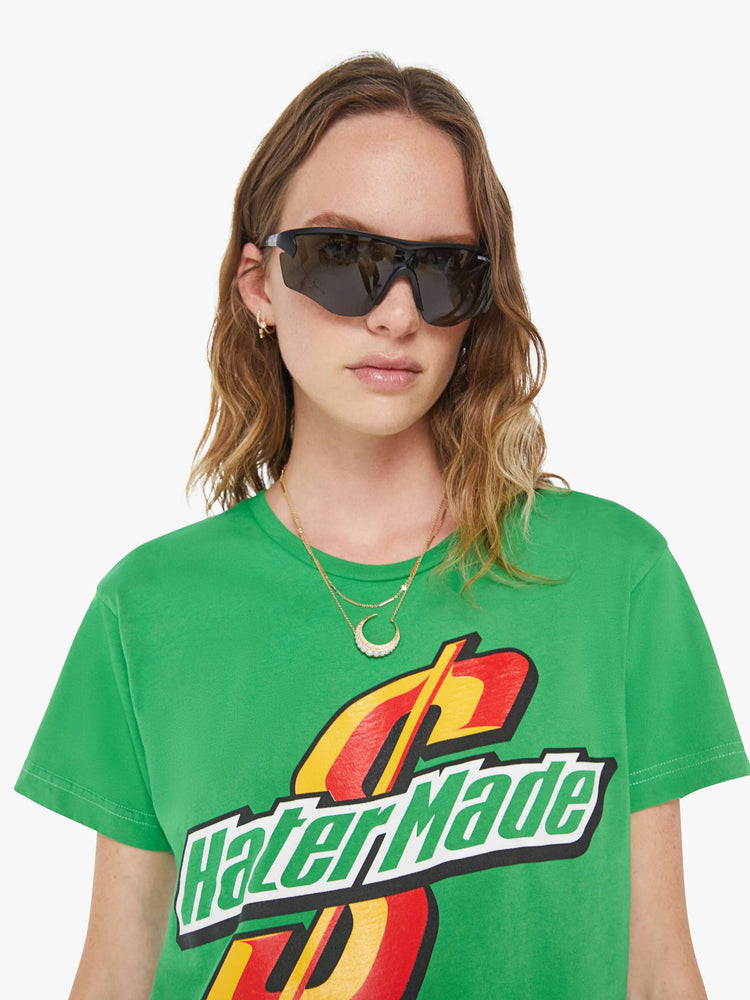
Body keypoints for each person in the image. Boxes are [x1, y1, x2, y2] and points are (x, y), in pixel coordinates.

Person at [14, 52, 749, 1000]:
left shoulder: (615, 578)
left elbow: (657, 973)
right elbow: (117, 972)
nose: (397, 313)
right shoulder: (148, 607)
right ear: (257, 285)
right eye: (343, 260)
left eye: (441, 271)